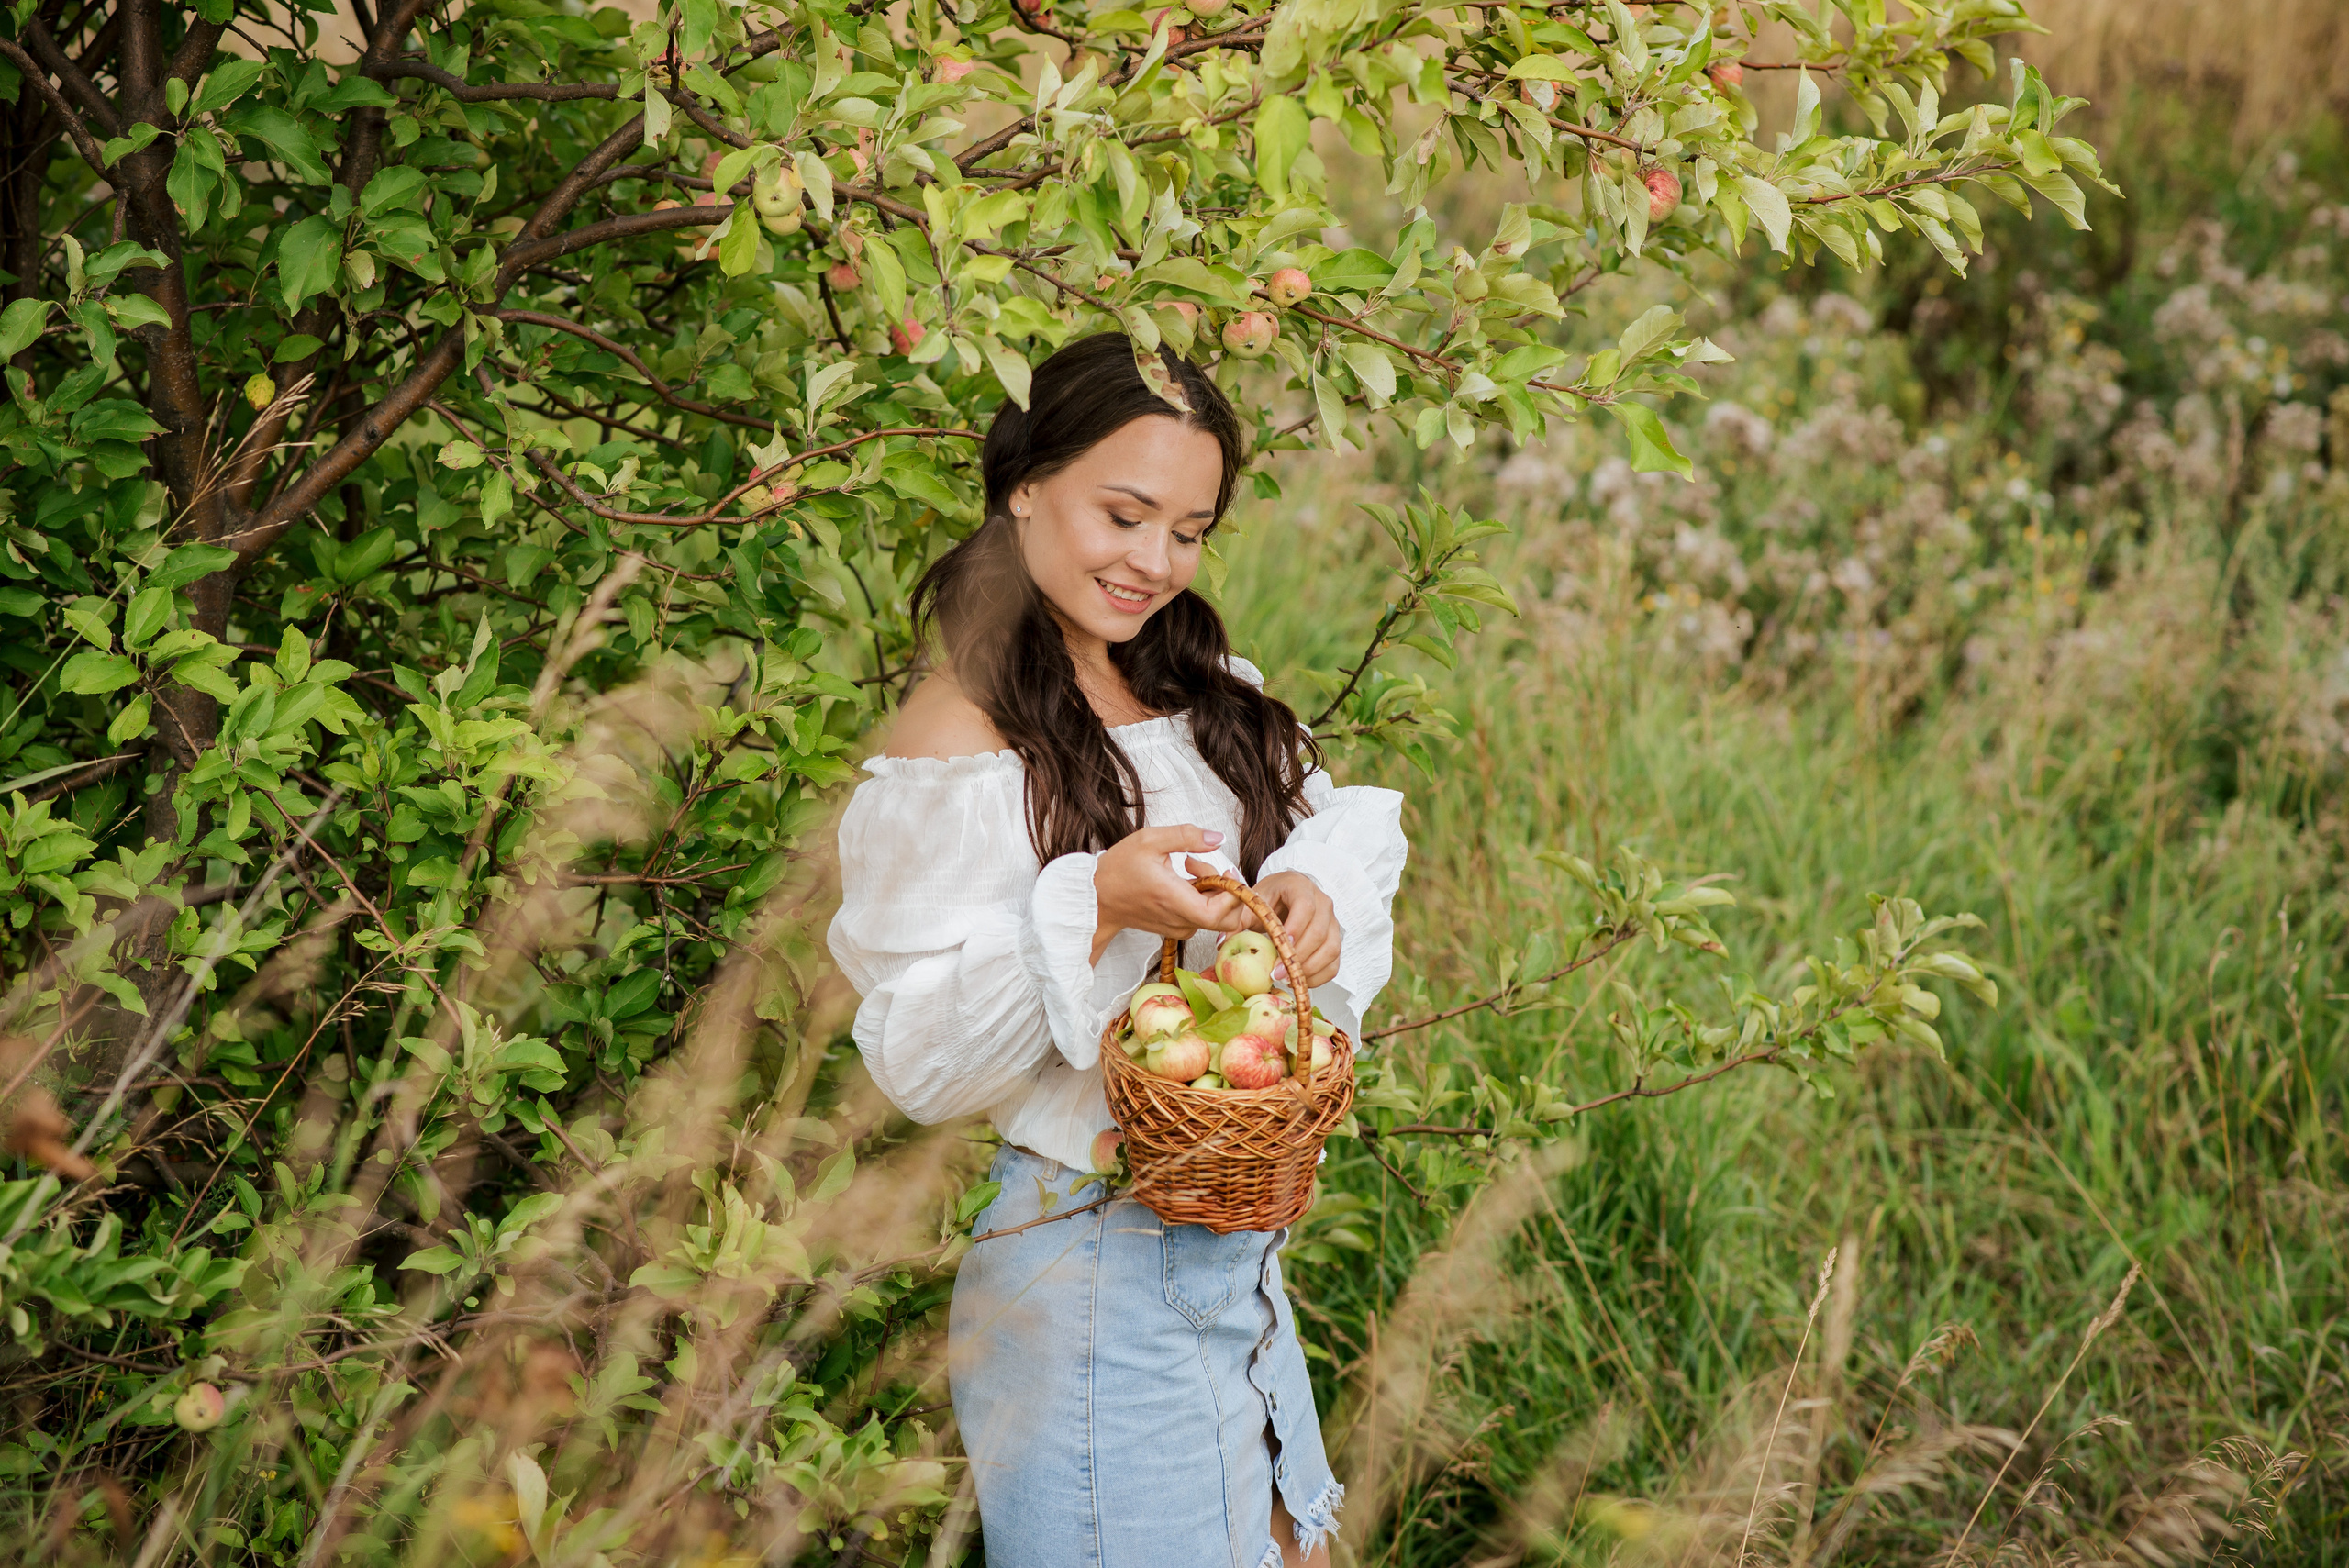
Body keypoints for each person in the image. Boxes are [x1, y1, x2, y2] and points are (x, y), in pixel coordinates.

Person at [827, 333, 1408, 1568]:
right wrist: (1095, 903)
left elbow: (1346, 830)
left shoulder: (1206, 691)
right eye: (1124, 513)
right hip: (1088, 1261)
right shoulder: (957, 741)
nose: (1153, 562)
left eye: (1188, 530)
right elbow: (917, 1056)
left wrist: (1308, 888)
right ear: (1025, 481)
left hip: (1237, 1260)